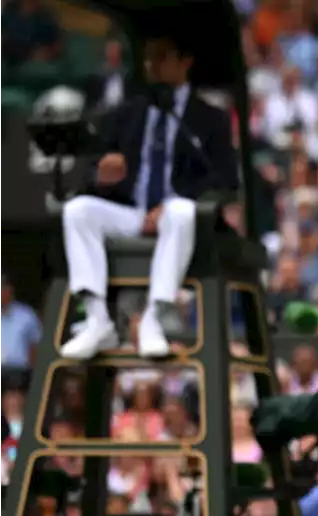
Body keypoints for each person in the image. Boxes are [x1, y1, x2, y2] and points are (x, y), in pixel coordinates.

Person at [59, 32, 237, 360]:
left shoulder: (210, 118)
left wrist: (171, 203)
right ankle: (98, 320)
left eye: (161, 57)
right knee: (77, 210)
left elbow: (225, 180)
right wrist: (100, 173)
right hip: (132, 213)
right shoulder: (126, 114)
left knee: (182, 211)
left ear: (185, 62)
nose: (151, 66)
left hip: (178, 218)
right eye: (147, 58)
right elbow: (93, 169)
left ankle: (155, 317)